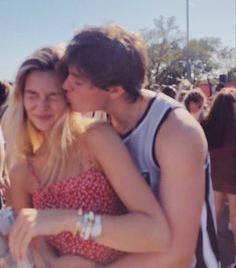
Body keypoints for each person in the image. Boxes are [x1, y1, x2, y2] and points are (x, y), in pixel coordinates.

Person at [60, 25, 220, 268]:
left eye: (77, 81)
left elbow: (178, 252)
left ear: (114, 90)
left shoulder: (176, 133)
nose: (65, 86)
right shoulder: (95, 119)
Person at [2, 46, 170, 267]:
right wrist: (53, 261)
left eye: (53, 95)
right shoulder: (22, 172)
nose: (41, 106)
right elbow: (35, 246)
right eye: (32, 95)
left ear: (68, 97)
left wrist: (67, 220)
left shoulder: (95, 138)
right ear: (21, 99)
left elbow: (156, 234)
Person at [202, 88, 236, 267]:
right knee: (235, 219)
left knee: (212, 218)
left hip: (215, 176)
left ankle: (207, 254)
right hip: (233, 176)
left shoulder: (208, 124)